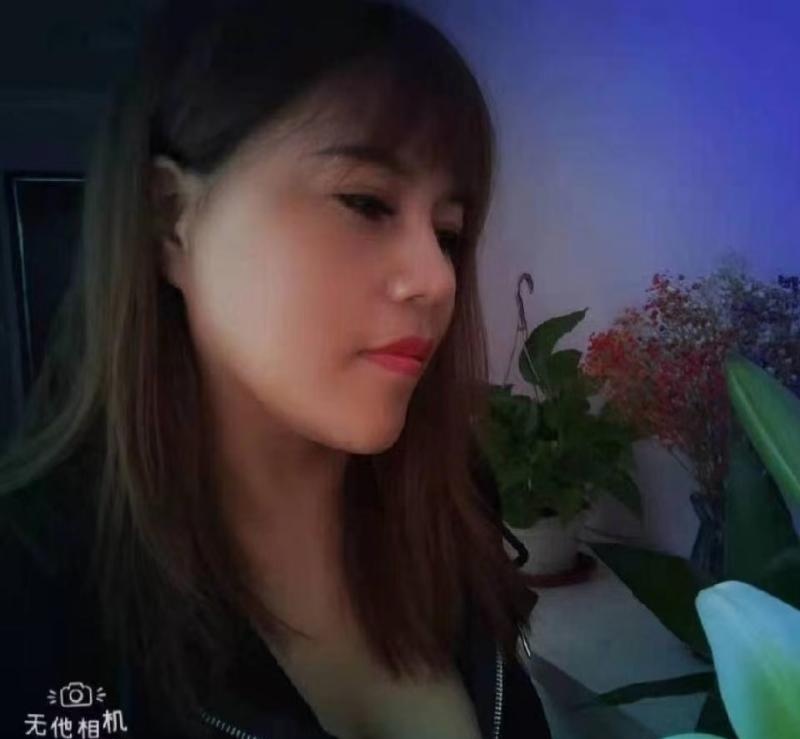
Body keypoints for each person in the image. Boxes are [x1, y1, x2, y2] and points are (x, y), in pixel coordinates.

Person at [0, 1, 553, 737]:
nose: (437, 279)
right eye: (365, 202)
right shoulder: (32, 595)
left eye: (448, 232)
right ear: (170, 218)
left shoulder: (456, 501)